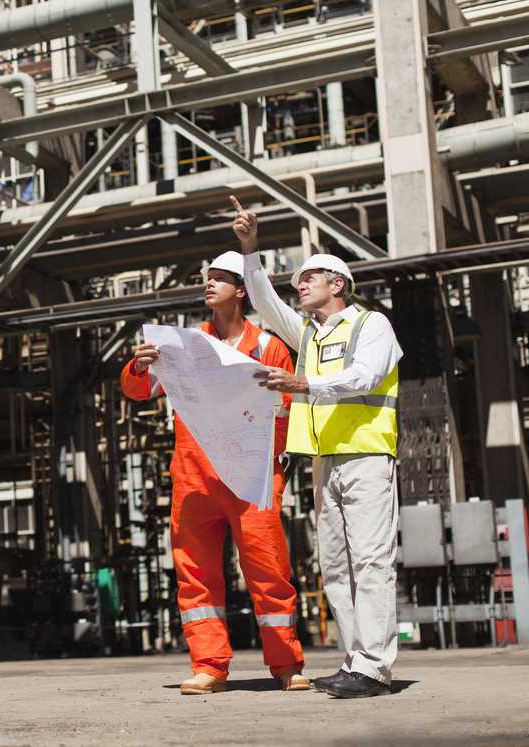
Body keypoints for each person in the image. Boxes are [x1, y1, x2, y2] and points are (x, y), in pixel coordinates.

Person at [231, 194, 402, 699]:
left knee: (371, 560)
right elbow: (263, 300)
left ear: (338, 284)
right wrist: (250, 248)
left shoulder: (372, 325)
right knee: (335, 564)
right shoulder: (307, 333)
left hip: (368, 455)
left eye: (309, 278)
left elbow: (366, 376)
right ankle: (356, 660)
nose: (299, 284)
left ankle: (375, 667)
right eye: (298, 280)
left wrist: (306, 386)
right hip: (325, 463)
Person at [121, 250, 308, 695]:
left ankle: (286, 665)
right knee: (196, 574)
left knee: (268, 571)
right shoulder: (183, 345)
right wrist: (140, 364)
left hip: (250, 474)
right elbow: (140, 390)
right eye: (207, 277)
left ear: (242, 291)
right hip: (195, 474)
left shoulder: (268, 347)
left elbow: (287, 409)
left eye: (220, 278)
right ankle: (209, 667)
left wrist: (274, 463)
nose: (209, 284)